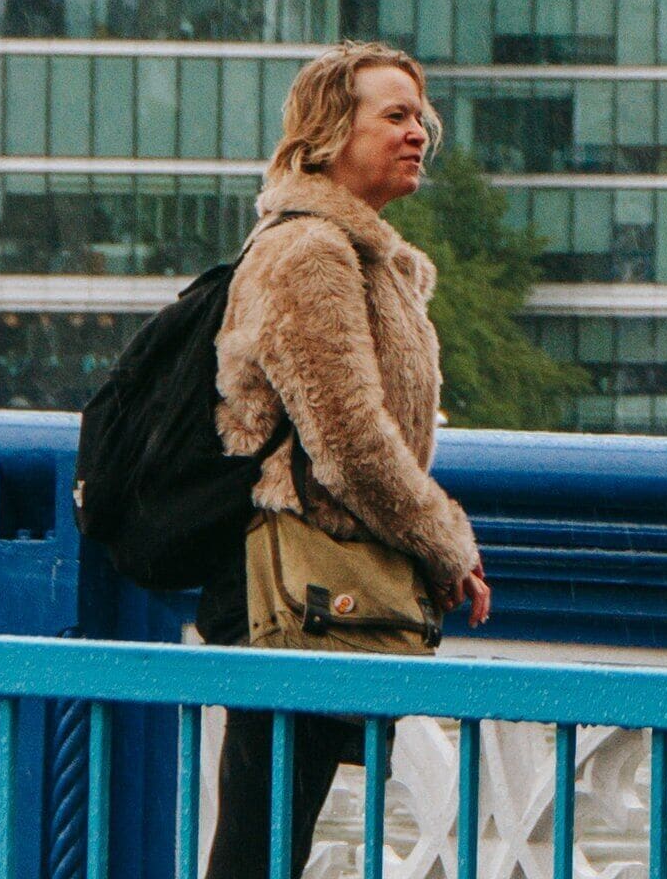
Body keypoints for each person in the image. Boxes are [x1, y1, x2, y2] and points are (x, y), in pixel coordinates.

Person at [205, 43, 492, 879]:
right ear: (330, 136)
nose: (419, 135)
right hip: (297, 589)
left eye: (421, 118)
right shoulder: (311, 253)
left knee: (269, 834)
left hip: (326, 585)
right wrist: (446, 543)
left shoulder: (356, 254)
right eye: (394, 116)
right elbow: (350, 441)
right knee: (260, 842)